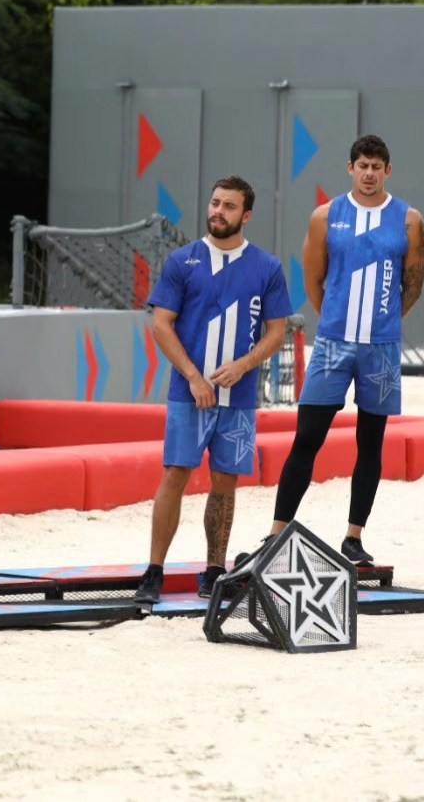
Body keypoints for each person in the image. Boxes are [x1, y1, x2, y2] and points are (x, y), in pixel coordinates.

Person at [265, 135, 424, 564]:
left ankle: (353, 537)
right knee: (307, 437)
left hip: (381, 348)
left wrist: (385, 322)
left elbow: (414, 282)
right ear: (350, 168)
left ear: (388, 171)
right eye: (362, 165)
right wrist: (336, 319)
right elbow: (313, 279)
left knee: (370, 443)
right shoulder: (326, 215)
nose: (369, 173)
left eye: (377, 166)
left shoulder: (409, 220)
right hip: (334, 343)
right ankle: (277, 532)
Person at [133, 175, 293, 604]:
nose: (218, 211)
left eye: (229, 206)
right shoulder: (183, 261)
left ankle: (215, 569)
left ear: (247, 215)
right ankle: (153, 571)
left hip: (238, 398)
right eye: (215, 203)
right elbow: (161, 324)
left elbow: (277, 332)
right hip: (188, 392)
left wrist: (243, 366)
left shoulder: (267, 267)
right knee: (175, 474)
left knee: (225, 483)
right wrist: (193, 376)